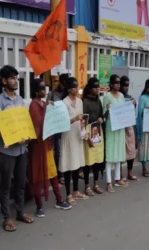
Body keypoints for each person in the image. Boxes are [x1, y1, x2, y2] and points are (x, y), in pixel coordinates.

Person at [0, 65, 33, 232]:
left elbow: (24, 123)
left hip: (22, 150)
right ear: (4, 81)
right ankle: (6, 218)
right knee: (5, 185)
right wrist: (6, 135)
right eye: (12, 78)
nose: (15, 80)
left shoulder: (20, 100)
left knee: (21, 183)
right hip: (7, 151)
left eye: (16, 78)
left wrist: (28, 135)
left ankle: (20, 212)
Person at [29, 79, 71, 217]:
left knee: (52, 172)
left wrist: (53, 109)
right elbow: (37, 127)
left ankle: (59, 199)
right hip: (37, 147)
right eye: (41, 88)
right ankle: (39, 206)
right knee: (38, 175)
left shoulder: (47, 104)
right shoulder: (33, 106)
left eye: (45, 87)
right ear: (35, 91)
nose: (44, 90)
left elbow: (52, 121)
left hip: (47, 145)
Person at [59, 77, 88, 205]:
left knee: (76, 164)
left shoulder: (80, 102)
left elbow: (83, 119)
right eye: (74, 87)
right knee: (68, 164)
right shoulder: (63, 103)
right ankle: (68, 194)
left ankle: (76, 191)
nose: (76, 89)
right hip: (68, 136)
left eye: (77, 87)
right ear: (68, 88)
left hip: (77, 135)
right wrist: (73, 119)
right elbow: (61, 122)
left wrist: (84, 131)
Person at [103, 75, 128, 193]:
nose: (118, 85)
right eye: (116, 83)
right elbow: (104, 116)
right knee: (110, 154)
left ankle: (117, 179)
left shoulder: (122, 96)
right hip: (111, 128)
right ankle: (109, 182)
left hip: (120, 127)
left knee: (119, 152)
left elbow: (124, 110)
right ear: (111, 84)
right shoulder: (107, 96)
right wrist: (108, 110)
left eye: (119, 83)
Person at [82, 77, 104, 195]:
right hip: (89, 133)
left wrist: (102, 118)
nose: (97, 89)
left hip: (98, 131)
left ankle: (95, 183)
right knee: (88, 161)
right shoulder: (85, 102)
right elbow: (84, 122)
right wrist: (87, 137)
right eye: (95, 87)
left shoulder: (98, 101)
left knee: (97, 159)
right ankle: (86, 186)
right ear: (90, 88)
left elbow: (101, 115)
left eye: (98, 87)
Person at [47, 73, 68, 184]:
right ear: (59, 82)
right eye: (63, 83)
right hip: (56, 127)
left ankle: (66, 171)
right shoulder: (52, 93)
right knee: (58, 151)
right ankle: (59, 175)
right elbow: (46, 107)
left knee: (66, 150)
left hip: (66, 126)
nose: (64, 86)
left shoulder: (67, 94)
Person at [120, 76, 137, 181]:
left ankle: (130, 172)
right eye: (125, 85)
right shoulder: (118, 97)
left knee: (131, 150)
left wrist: (134, 103)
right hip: (120, 127)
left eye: (128, 85)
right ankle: (120, 174)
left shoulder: (130, 98)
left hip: (129, 126)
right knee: (121, 151)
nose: (126, 87)